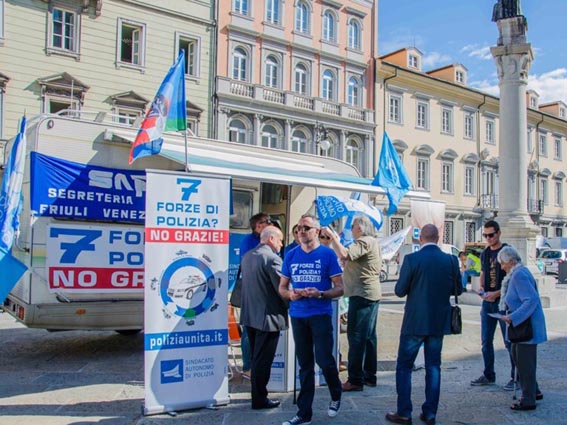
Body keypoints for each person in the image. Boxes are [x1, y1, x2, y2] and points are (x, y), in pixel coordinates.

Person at [385, 224, 462, 425]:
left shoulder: (412, 259)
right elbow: (459, 290)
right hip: (439, 321)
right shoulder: (451, 260)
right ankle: (430, 413)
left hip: (415, 321)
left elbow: (400, 291)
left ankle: (404, 411)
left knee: (404, 366)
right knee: (433, 366)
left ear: (421, 239)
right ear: (438, 238)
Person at [279, 214, 344, 425]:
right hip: (298, 315)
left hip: (320, 314)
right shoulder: (291, 255)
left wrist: (320, 293)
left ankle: (336, 392)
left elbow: (340, 288)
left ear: (316, 231)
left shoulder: (327, 255)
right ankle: (303, 413)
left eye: (305, 227)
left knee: (324, 360)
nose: (300, 231)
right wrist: (291, 295)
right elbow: (282, 287)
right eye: (298, 228)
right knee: (304, 364)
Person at [322, 215, 382, 391]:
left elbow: (345, 254)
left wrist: (333, 238)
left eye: (354, 226)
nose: (352, 229)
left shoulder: (363, 241)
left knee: (356, 336)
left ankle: (355, 379)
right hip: (369, 293)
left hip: (361, 294)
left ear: (361, 228)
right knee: (369, 337)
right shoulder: (372, 241)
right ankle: (369, 375)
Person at [240, 226, 288, 410]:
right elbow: (282, 289)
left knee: (256, 358)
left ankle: (257, 395)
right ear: (271, 239)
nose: (281, 244)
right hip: (267, 318)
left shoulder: (248, 256)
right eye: (280, 240)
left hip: (250, 316)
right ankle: (260, 398)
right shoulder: (272, 259)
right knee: (263, 361)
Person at [498, 245, 547, 410]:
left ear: (511, 261)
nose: (502, 266)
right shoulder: (519, 273)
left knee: (524, 362)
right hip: (523, 326)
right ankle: (534, 391)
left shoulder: (519, 275)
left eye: (503, 263)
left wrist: (512, 317)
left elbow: (530, 300)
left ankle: (528, 399)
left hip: (526, 327)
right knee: (519, 357)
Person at [470, 220, 516, 390]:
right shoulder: (485, 253)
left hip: (503, 302)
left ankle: (515, 376)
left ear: (499, 233)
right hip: (487, 303)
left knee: (509, 341)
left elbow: (511, 278)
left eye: (491, 235)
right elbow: (483, 273)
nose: (488, 238)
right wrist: (482, 289)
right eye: (485, 235)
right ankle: (489, 374)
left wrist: (496, 294)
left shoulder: (507, 251)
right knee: (486, 341)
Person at [238, 212, 272, 377]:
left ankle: (256, 366)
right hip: (251, 289)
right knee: (248, 328)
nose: (270, 224)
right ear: (258, 226)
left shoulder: (263, 239)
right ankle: (248, 366)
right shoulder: (250, 242)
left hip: (262, 290)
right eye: (267, 222)